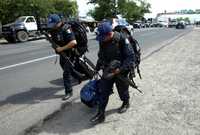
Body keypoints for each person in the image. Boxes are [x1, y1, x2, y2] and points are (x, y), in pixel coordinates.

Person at [90, 22, 135, 124]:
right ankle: (101, 114)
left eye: (103, 37)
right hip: (108, 69)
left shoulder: (122, 39)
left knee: (122, 89)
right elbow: (101, 56)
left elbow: (130, 57)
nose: (101, 39)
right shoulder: (103, 40)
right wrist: (97, 68)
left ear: (110, 34)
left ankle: (125, 102)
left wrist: (120, 69)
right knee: (103, 91)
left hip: (121, 70)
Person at [47, 14, 77, 100]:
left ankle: (69, 92)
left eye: (53, 24)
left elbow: (73, 42)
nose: (52, 26)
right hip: (62, 54)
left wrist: (61, 49)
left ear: (59, 22)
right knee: (67, 69)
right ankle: (79, 77)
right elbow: (55, 40)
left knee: (66, 73)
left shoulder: (66, 28)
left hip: (70, 53)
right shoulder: (54, 30)